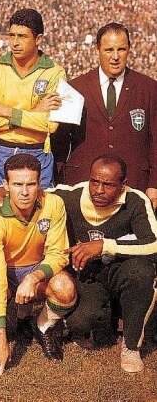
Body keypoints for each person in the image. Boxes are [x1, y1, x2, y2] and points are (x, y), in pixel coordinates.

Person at [0, 154, 76, 377]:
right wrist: (0, 338)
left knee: (65, 289)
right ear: (6, 186)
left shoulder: (53, 204)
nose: (24, 192)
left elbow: (58, 254)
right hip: (3, 270)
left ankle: (42, 326)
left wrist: (34, 277)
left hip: (35, 267)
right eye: (17, 184)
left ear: (40, 183)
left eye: (30, 184)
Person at [55, 155, 157, 373]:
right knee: (79, 324)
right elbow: (32, 191)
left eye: (108, 185)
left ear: (123, 185)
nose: (98, 190)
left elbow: (154, 245)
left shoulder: (136, 200)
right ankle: (105, 315)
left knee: (141, 273)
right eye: (94, 181)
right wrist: (0, 191)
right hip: (90, 275)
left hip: (122, 270)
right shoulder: (71, 195)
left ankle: (131, 346)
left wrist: (104, 246)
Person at [51, 22, 157, 208]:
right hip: (83, 184)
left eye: (121, 49)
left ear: (129, 49)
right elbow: (60, 144)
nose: (115, 57)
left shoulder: (149, 88)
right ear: (97, 49)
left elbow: (155, 141)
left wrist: (154, 184)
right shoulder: (75, 88)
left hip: (133, 185)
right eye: (109, 50)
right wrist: (62, 181)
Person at [0, 8, 65, 194]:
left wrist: (5, 111)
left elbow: (50, 125)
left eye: (22, 36)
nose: (15, 43)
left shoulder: (54, 72)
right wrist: (35, 112)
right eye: (12, 36)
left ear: (38, 39)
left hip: (36, 153)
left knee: (36, 210)